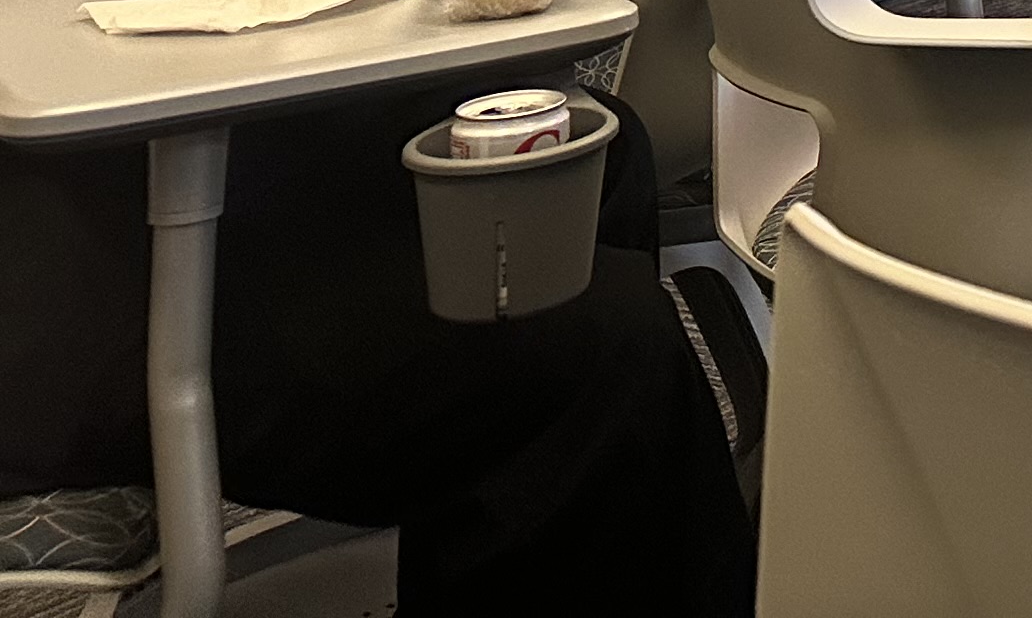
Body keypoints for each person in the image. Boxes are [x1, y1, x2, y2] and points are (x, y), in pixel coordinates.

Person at [0, 91, 751, 613]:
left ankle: (559, 534)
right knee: (595, 338)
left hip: (68, 182)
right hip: (41, 291)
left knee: (585, 146)